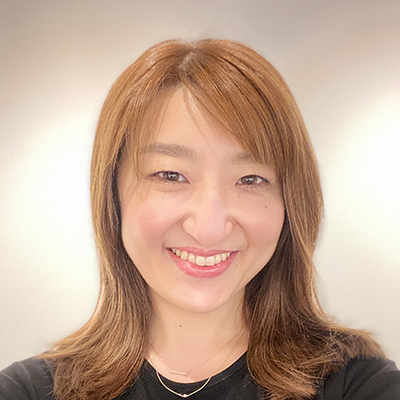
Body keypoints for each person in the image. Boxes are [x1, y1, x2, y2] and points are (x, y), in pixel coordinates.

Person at [1, 39, 399, 400]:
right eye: (170, 175)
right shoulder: (31, 391)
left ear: (291, 200)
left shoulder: (355, 385)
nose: (209, 227)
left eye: (250, 179)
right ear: (112, 195)